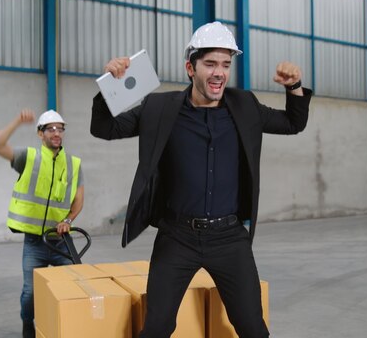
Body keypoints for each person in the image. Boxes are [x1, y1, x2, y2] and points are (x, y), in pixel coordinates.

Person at [90, 21, 312, 338]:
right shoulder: (159, 107)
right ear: (190, 68)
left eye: (225, 64)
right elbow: (104, 129)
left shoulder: (245, 105)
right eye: (210, 64)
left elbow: (293, 122)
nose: (219, 72)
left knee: (252, 327)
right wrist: (107, 88)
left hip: (229, 238)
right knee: (157, 327)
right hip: (176, 236)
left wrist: (294, 87)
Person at [0, 109, 84, 338]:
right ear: (40, 134)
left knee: (75, 285)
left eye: (60, 128)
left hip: (61, 242)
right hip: (35, 243)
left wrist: (68, 220)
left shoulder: (73, 164)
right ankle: (27, 323)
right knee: (30, 293)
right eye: (50, 129)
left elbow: (78, 201)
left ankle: (68, 326)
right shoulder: (27, 158)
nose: (56, 133)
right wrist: (17, 121)